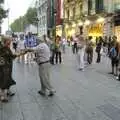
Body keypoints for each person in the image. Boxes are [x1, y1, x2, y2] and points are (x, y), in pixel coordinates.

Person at [0, 37, 25, 102]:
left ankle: (7, 92)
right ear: (6, 41)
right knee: (4, 80)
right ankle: (3, 97)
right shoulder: (4, 48)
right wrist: (20, 54)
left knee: (7, 79)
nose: (10, 42)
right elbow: (12, 56)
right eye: (9, 41)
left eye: (10, 41)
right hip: (4, 67)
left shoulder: (6, 47)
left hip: (7, 66)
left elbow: (11, 56)